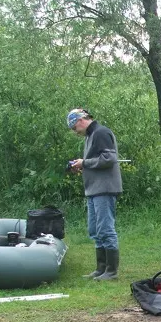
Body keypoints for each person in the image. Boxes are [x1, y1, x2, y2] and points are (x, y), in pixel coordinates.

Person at [67, 108, 123, 280]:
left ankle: (111, 272)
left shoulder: (101, 133)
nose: (74, 131)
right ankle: (101, 269)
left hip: (104, 189)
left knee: (105, 229)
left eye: (73, 127)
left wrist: (85, 162)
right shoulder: (90, 136)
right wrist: (82, 165)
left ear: (80, 120)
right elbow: (95, 161)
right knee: (95, 230)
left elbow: (109, 159)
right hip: (93, 189)